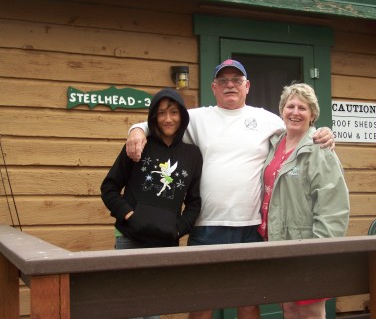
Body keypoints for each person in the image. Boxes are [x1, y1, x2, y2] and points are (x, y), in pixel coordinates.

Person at [125, 59, 335, 319]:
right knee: (201, 303)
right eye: (223, 81)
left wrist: (324, 131)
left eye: (236, 80)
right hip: (205, 225)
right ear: (213, 87)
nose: (230, 85)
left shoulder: (265, 119)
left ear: (247, 86)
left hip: (250, 226)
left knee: (248, 303)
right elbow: (158, 124)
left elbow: (300, 127)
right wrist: (136, 130)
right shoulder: (197, 118)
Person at [101, 88, 203, 319]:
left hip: (164, 242)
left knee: (153, 310)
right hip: (129, 239)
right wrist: (130, 216)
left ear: (182, 116)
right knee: (131, 309)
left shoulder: (192, 155)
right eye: (162, 113)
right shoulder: (138, 145)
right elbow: (109, 188)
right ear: (153, 117)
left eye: (174, 112)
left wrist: (178, 229)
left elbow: (194, 202)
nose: (168, 119)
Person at [258, 83, 350, 319]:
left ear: (312, 115)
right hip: (277, 242)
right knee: (289, 308)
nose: (295, 112)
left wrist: (319, 251)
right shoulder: (275, 143)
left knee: (310, 312)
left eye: (302, 107)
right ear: (282, 111)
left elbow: (334, 207)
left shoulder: (319, 149)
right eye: (290, 106)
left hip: (307, 245)